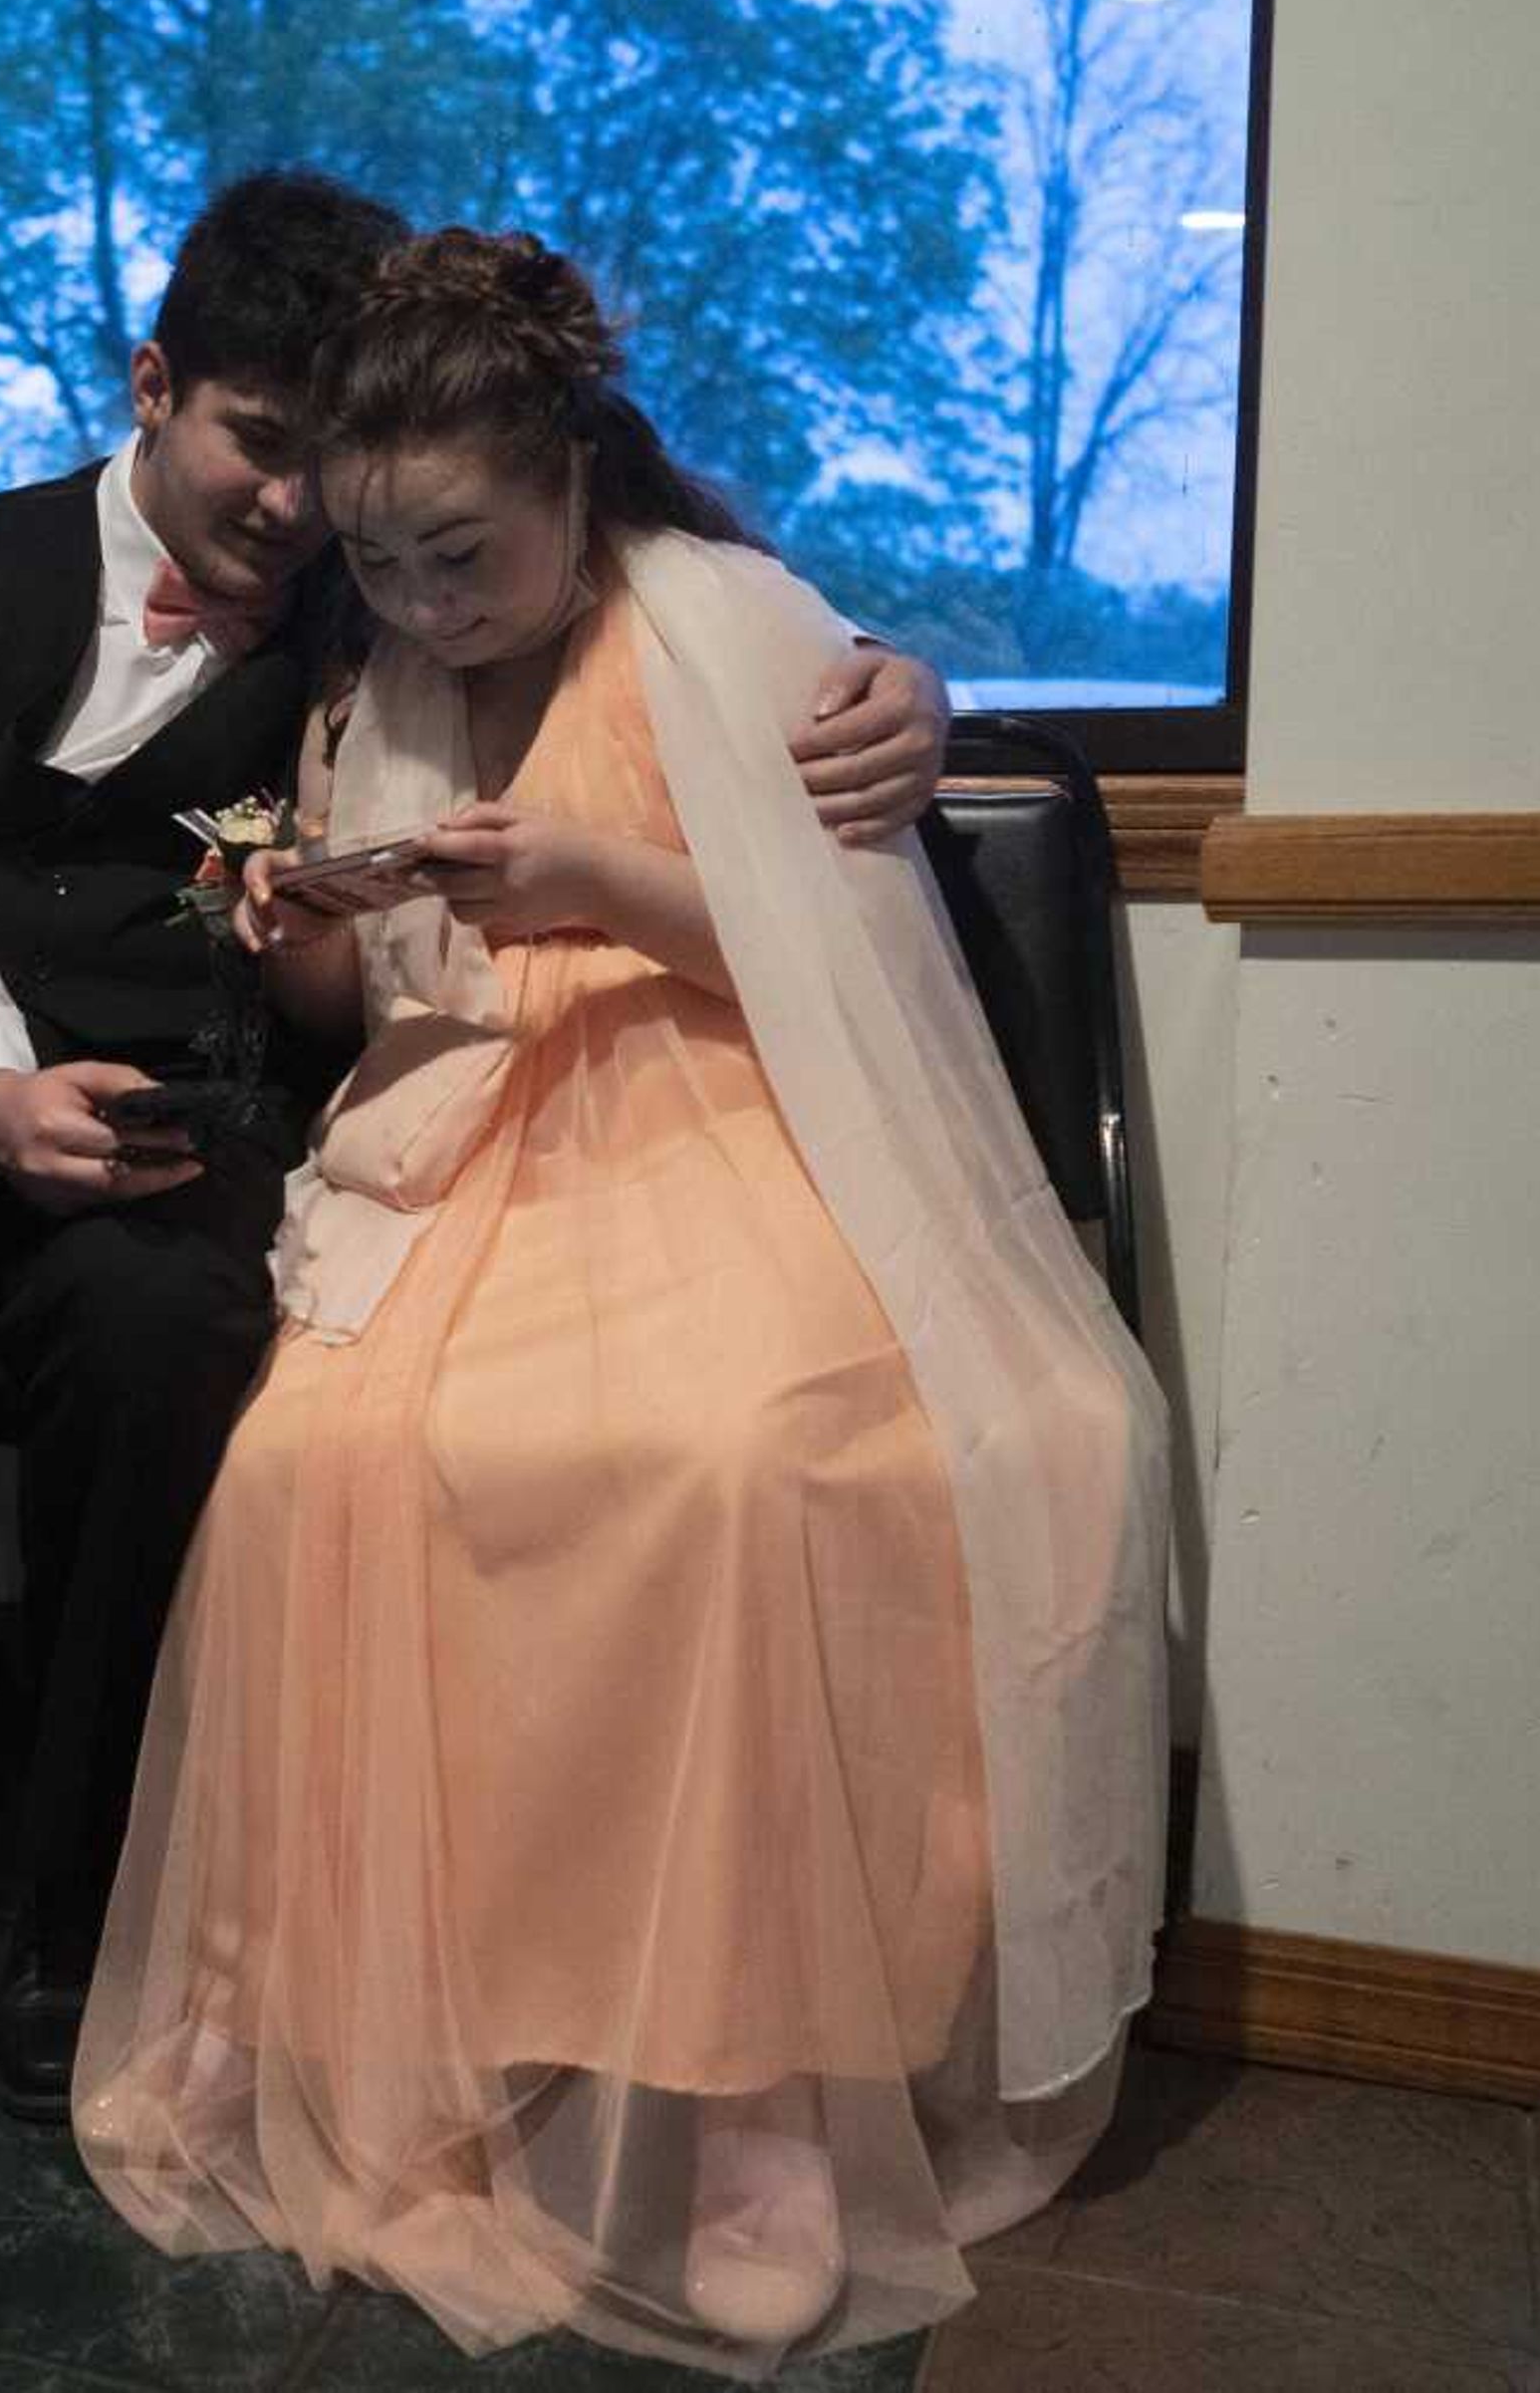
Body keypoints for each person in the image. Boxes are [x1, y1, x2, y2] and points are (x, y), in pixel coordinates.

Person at [0, 174, 959, 2120]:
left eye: (318, 460)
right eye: (256, 444)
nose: (287, 511)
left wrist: (907, 676)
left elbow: (641, 581)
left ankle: (88, 1898)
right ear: (155, 386)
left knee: (168, 1342)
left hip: (203, 1092)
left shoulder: (393, 576)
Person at [67, 225, 1172, 2371]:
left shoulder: (735, 619)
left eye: (462, 558)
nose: (422, 608)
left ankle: (755, 2088)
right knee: (329, 1452)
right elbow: (361, 995)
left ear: (574, 479)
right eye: (382, 568)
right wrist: (305, 917)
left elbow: (855, 955)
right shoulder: (378, 670)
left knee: (727, 1466)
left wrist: (600, 888)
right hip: (480, 1134)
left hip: (745, 1114)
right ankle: (307, 2005)